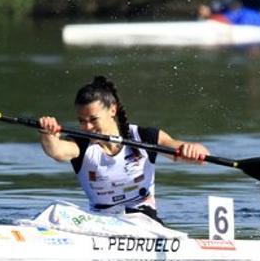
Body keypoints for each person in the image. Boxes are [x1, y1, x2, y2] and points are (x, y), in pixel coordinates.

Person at [37, 76, 209, 224]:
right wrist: (47, 133)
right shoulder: (81, 145)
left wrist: (192, 151)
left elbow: (197, 153)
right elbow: (57, 151)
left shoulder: (144, 136)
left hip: (143, 221)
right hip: (100, 221)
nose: (87, 127)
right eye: (82, 121)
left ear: (113, 109)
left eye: (93, 119)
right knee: (56, 210)